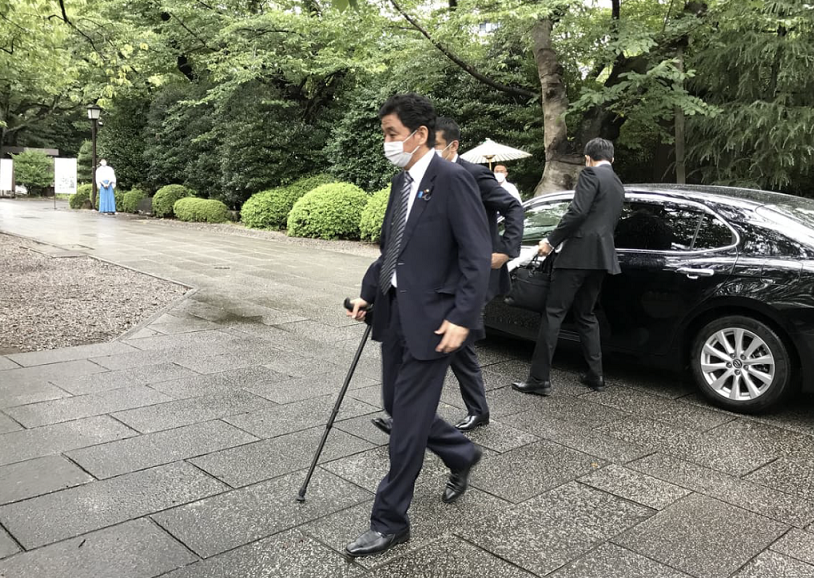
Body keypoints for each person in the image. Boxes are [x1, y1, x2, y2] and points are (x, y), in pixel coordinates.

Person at [345, 94, 491, 558]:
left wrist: (462, 319)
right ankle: (461, 452)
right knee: (397, 406)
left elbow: (475, 256)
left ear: (420, 134)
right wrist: (369, 292)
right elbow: (392, 246)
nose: (388, 143)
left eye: (392, 134)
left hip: (435, 323)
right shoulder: (400, 181)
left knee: (405, 425)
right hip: (394, 314)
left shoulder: (454, 179)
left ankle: (390, 521)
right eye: (386, 135)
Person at [370, 117, 523, 433]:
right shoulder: (422, 176)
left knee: (454, 342)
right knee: (432, 342)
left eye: (435, 146)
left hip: (469, 275)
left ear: (452, 146)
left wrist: (506, 249)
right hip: (436, 277)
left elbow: (513, 208)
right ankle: (411, 415)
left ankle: (462, 415)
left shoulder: (474, 174)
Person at [512, 138, 624, 396]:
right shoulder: (617, 183)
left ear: (587, 157)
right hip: (602, 258)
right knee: (586, 314)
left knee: (553, 313)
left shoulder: (589, 174)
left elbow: (577, 212)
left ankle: (539, 379)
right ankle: (596, 375)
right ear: (613, 158)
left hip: (576, 256)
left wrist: (550, 242)